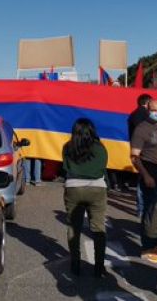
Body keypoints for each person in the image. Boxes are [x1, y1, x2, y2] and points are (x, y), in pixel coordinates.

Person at [62, 118, 108, 278]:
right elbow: (103, 167)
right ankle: (99, 266)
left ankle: (75, 263)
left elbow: (65, 167)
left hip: (73, 187)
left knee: (74, 227)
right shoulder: (100, 148)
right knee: (98, 228)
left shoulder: (67, 147)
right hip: (97, 188)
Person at [130, 98, 157, 264]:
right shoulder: (141, 129)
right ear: (148, 110)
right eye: (155, 110)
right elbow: (134, 156)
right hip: (151, 177)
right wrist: (146, 175)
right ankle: (148, 247)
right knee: (150, 212)